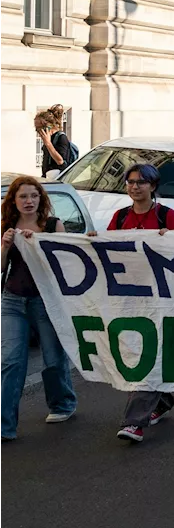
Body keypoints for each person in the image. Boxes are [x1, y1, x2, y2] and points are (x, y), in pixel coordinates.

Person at [104, 164, 174, 443]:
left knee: (147, 354)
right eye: (130, 181)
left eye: (141, 182)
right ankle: (161, 399)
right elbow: (107, 250)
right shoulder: (120, 217)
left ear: (153, 186)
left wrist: (169, 241)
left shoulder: (166, 216)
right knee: (135, 351)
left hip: (160, 298)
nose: (135, 186)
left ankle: (134, 421)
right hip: (128, 297)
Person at [0, 176, 75, 441]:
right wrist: (6, 245)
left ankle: (62, 402)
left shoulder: (53, 226)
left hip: (46, 300)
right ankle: (4, 426)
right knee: (10, 361)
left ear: (41, 199)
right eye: (23, 197)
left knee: (52, 359)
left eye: (33, 196)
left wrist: (40, 242)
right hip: (12, 300)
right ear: (14, 201)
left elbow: (63, 265)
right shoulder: (6, 227)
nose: (28, 201)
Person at [35, 109, 73, 176]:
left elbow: (60, 161)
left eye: (39, 128)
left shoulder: (61, 138)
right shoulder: (48, 139)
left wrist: (48, 144)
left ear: (48, 127)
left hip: (57, 178)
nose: (38, 131)